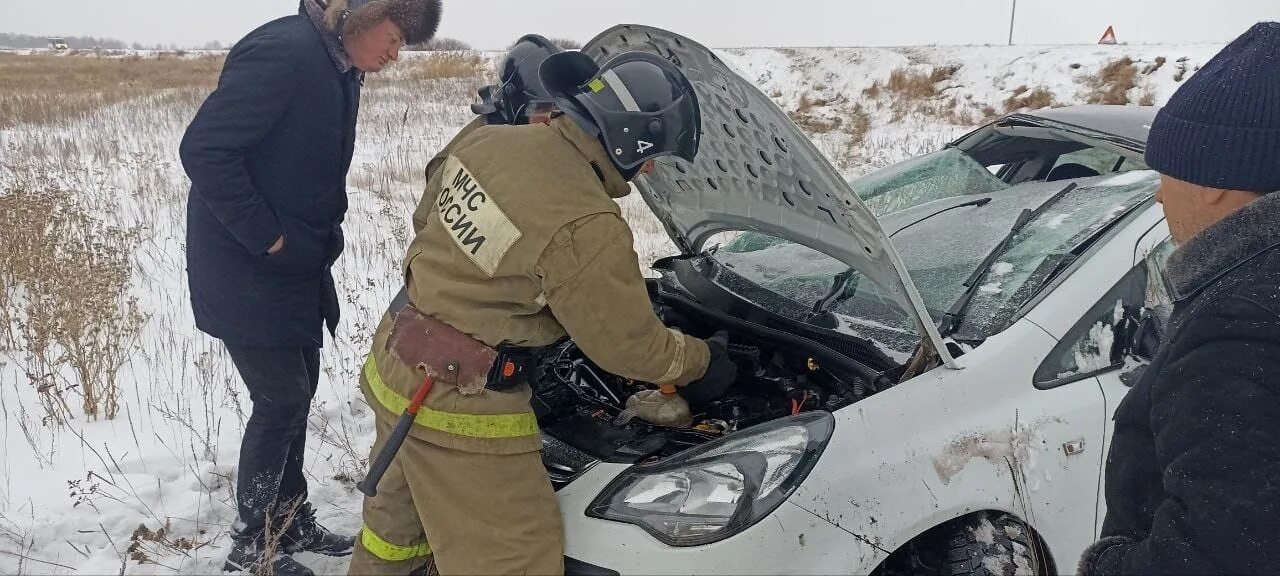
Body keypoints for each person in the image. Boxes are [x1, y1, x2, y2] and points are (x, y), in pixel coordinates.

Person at [347, 50, 738, 575]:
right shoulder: (587, 220)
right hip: (460, 408)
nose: (648, 169)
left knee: (395, 537)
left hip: (397, 360)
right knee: (518, 558)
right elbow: (629, 348)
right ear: (629, 140)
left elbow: (429, 214)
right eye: (652, 156)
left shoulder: (487, 139)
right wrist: (702, 363)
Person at [178, 1, 441, 574]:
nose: (396, 55)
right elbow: (205, 150)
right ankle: (254, 546)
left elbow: (315, 162)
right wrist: (268, 237)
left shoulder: (340, 68)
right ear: (364, 15)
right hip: (245, 266)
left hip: (297, 266)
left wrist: (322, 232)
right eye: (396, 38)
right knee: (281, 399)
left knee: (301, 388)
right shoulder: (285, 53)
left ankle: (289, 519)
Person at [1078, 21, 1280, 576]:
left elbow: (1221, 556)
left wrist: (1110, 565)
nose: (1162, 192)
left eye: (1167, 171)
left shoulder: (1239, 330)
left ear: (1216, 176)